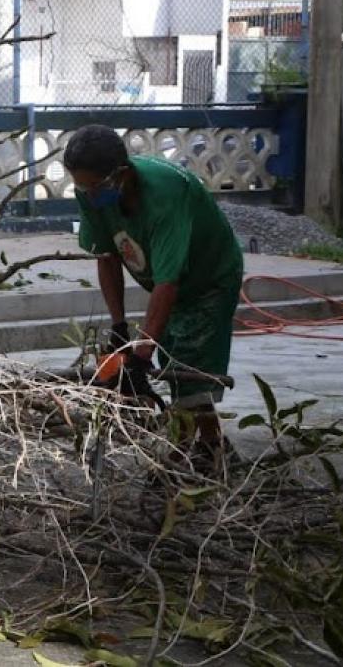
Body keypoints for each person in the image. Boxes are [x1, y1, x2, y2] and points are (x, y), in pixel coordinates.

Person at [63, 124, 243, 468]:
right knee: (179, 363)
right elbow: (107, 256)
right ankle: (214, 446)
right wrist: (119, 326)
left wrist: (142, 352)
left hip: (209, 279)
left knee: (189, 363)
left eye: (94, 186)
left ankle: (175, 460)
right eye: (81, 186)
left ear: (122, 174)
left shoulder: (166, 195)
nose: (88, 194)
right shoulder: (92, 194)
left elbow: (168, 282)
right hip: (167, 283)